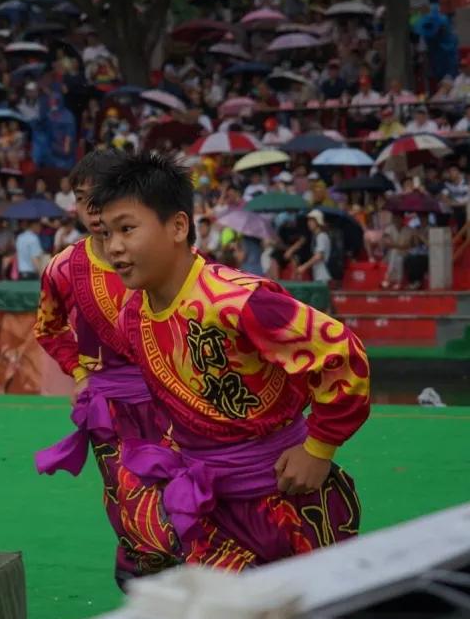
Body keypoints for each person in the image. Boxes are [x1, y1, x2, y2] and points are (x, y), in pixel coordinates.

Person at [89, 150, 368, 570]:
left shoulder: (240, 300)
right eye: (105, 234)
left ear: (178, 226)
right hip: (212, 513)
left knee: (310, 617)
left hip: (285, 496)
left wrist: (318, 447)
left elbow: (341, 354)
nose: (114, 248)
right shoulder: (133, 316)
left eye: (127, 229)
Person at [34, 151, 178, 587]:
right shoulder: (63, 267)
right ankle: (139, 571)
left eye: (105, 198)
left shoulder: (164, 256)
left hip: (175, 400)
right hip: (112, 407)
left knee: (185, 501)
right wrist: (79, 375)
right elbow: (49, 327)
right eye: (84, 201)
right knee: (133, 505)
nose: (95, 212)